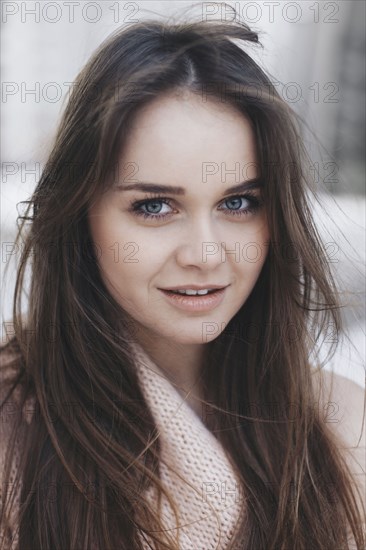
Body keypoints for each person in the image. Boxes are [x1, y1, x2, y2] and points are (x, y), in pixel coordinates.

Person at [0, 15, 365, 550]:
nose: (205, 255)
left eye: (238, 203)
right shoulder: (14, 427)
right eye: (154, 206)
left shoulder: (341, 424)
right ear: (79, 214)